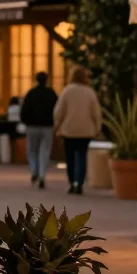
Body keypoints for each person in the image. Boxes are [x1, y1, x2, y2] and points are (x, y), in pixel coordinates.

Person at [54, 66, 103, 195]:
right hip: (85, 130)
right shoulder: (89, 92)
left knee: (70, 157)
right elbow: (96, 112)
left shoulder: (67, 91)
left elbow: (59, 111)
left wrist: (57, 125)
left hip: (69, 130)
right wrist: (97, 127)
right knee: (82, 156)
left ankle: (71, 182)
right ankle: (79, 183)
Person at [20, 72, 58, 189]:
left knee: (32, 150)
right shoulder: (51, 93)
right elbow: (57, 109)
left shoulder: (31, 93)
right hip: (47, 125)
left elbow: (24, 109)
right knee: (45, 151)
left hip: (32, 125)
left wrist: (25, 121)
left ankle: (34, 171)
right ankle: (42, 175)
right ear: (47, 80)